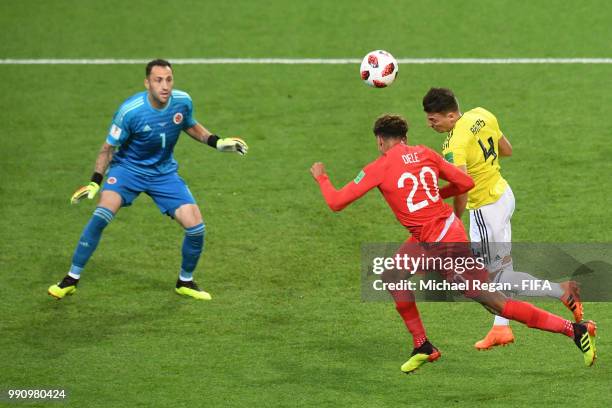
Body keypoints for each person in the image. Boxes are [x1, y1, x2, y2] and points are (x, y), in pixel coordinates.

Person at [310, 114, 596, 372]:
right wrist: (434, 196)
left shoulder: (378, 168)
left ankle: (574, 330)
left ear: (380, 141)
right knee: (393, 273)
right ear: (405, 138)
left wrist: (321, 177)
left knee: (494, 303)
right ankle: (423, 345)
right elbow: (465, 184)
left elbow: (336, 202)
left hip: (447, 244)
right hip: (433, 233)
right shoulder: (425, 153)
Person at [48, 59, 248, 301]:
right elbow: (108, 149)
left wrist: (217, 142)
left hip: (164, 174)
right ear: (147, 83)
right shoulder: (130, 112)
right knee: (101, 215)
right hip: (127, 171)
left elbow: (191, 126)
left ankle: (185, 282)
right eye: (158, 80)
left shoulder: (182, 102)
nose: (165, 86)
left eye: (169, 79)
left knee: (196, 228)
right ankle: (71, 279)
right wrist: (95, 181)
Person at [422, 87, 583, 349]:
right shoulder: (482, 114)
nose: (431, 125)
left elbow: (462, 186)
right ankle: (501, 328)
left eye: (434, 119)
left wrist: (453, 219)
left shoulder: (453, 144)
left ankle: (561, 291)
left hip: (485, 210)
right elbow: (506, 150)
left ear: (451, 116)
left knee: (492, 279)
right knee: (501, 267)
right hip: (503, 196)